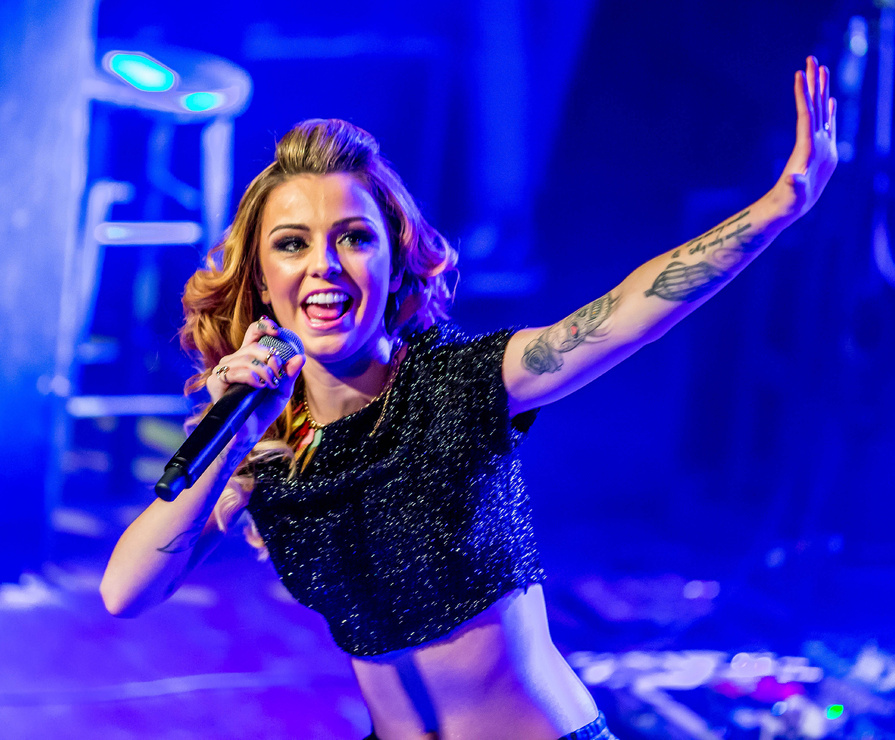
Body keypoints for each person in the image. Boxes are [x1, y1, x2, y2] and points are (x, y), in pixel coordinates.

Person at [100, 56, 837, 739]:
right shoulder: (261, 443)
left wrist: (778, 207)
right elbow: (124, 593)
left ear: (394, 265)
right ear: (262, 280)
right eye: (293, 243)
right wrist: (233, 436)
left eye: (354, 237)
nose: (324, 264)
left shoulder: (462, 380)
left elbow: (627, 311)